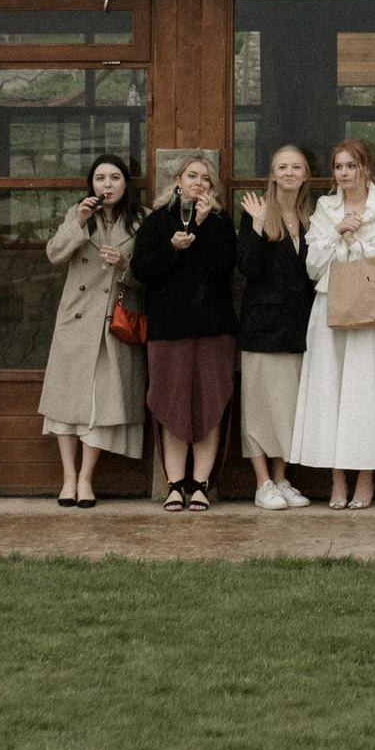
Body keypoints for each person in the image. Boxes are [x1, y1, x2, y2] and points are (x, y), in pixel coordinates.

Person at [290, 137, 375, 507]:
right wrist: (337, 231)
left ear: (366, 168)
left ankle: (366, 479)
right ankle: (337, 481)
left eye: (351, 166)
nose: (345, 173)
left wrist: (356, 240)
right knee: (330, 392)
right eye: (339, 167)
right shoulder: (324, 208)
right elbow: (313, 263)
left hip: (370, 310)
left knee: (365, 395)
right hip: (330, 307)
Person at [131, 153, 239, 511]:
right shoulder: (157, 221)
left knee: (211, 404)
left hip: (213, 329)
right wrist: (171, 248)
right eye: (192, 175)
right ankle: (175, 484)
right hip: (168, 330)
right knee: (171, 404)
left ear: (212, 188)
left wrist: (203, 225)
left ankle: (202, 485)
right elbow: (141, 270)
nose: (198, 182)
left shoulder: (221, 222)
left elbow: (224, 266)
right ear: (177, 180)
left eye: (206, 178)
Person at [39, 154, 146, 508]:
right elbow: (54, 254)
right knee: (66, 404)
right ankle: (67, 477)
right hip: (76, 321)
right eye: (100, 178)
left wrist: (125, 265)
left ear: (126, 184)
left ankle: (86, 479)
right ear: (92, 184)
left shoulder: (141, 220)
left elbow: (149, 274)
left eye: (115, 178)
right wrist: (80, 222)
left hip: (112, 322)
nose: (107, 185)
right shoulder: (78, 214)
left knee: (100, 405)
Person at [234, 144, 318, 510]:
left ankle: (282, 479)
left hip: (299, 326)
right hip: (262, 327)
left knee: (289, 408)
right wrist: (254, 226)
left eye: (295, 167)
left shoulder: (312, 215)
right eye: (281, 166)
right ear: (272, 174)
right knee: (258, 407)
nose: (288, 172)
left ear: (305, 176)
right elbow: (247, 269)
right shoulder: (257, 211)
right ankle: (262, 482)